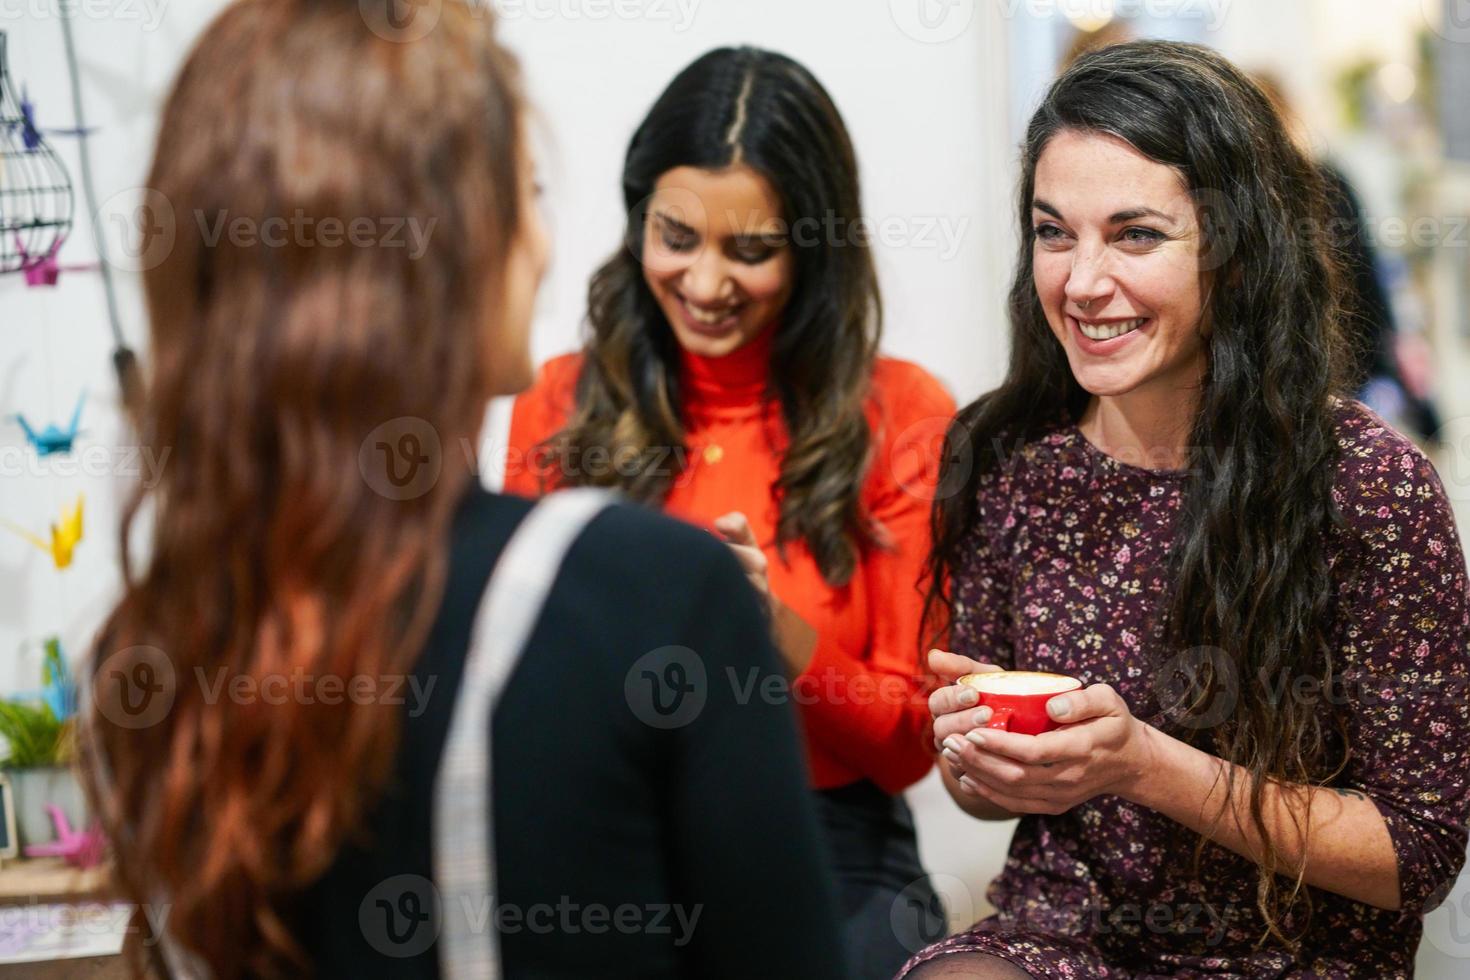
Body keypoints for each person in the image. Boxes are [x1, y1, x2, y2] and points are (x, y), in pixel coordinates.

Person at [78, 3, 845, 977]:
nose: (544, 242)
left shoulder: (148, 651)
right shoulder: (652, 596)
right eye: (526, 188)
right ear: (454, 245)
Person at [907, 40, 1470, 978]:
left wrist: (1145, 766)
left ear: (1237, 251)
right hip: (1061, 940)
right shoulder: (1009, 465)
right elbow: (989, 800)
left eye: (1136, 235)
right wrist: (978, 766)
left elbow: (1416, 855)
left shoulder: (1366, 487)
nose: (1082, 283)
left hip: (1293, 954)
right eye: (1054, 232)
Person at [505, 46, 955, 980]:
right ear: (639, 222)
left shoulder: (902, 416)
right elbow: (518, 689)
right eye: (678, 237)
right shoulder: (557, 403)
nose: (707, 284)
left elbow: (911, 745)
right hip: (615, 832)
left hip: (830, 840)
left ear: (812, 252)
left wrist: (765, 626)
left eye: (751, 250)